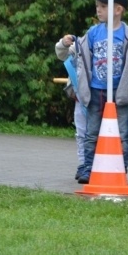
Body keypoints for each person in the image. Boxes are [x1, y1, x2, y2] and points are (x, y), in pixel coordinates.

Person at [66, 0, 128, 184]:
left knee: (123, 134)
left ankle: (120, 167)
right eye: (97, 6)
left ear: (118, 10)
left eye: (103, 6)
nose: (98, 10)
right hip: (96, 90)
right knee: (91, 132)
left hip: (120, 92)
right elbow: (81, 54)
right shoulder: (93, 33)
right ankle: (88, 168)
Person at [55, 34, 88, 181]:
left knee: (93, 134)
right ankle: (82, 164)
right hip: (79, 97)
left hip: (97, 96)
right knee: (81, 133)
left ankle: (92, 164)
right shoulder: (80, 44)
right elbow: (62, 55)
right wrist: (64, 43)